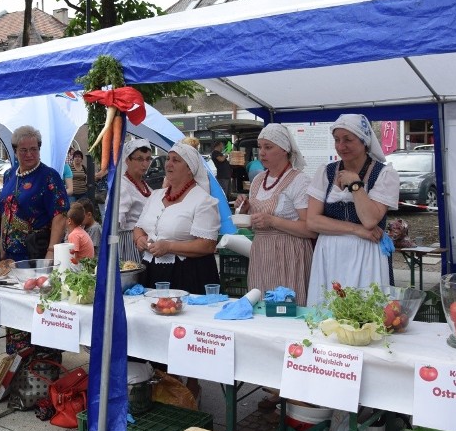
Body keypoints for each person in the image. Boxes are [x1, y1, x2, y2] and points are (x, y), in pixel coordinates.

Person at [306, 114, 399, 306]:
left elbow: (370, 220)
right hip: (330, 254)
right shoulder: (325, 172)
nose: (341, 146)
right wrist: (355, 229)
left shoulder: (384, 174)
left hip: (367, 255)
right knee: (328, 313)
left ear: (364, 141)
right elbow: (312, 221)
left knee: (367, 314)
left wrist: (356, 184)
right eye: (337, 140)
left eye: (348, 139)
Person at [235, 124, 315, 304]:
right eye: (260, 147)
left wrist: (272, 220)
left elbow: (310, 229)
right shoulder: (257, 180)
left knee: (286, 308)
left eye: (268, 147)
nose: (261, 153)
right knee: (262, 306)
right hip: (261, 254)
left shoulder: (299, 181)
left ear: (285, 149)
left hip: (289, 254)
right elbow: (254, 224)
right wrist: (245, 210)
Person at [134, 141, 221, 293]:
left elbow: (208, 245)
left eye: (176, 160)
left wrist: (169, 246)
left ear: (189, 169)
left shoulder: (203, 201)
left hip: (187, 273)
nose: (168, 164)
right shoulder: (155, 196)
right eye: (168, 159)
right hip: (151, 271)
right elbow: (138, 228)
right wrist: (139, 239)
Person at [0, 125, 68, 262]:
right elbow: (5, 211)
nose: (29, 154)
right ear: (15, 151)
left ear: (39, 149)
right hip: (10, 255)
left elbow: (60, 216)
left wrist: (51, 252)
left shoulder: (49, 176)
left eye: (33, 149)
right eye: (23, 150)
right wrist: (2, 246)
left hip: (36, 253)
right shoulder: (9, 174)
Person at [118, 139, 153, 264]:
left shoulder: (145, 186)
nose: (145, 164)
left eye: (148, 159)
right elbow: (115, 220)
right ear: (128, 160)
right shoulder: (122, 186)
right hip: (129, 242)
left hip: (144, 240)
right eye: (139, 159)